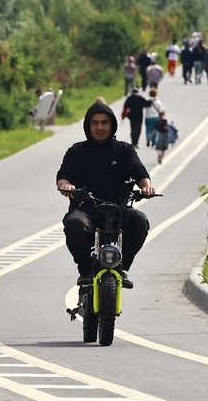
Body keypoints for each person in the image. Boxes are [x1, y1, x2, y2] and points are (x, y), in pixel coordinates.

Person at [55, 102, 157, 289]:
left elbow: (139, 172)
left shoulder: (124, 150)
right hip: (86, 209)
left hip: (119, 209)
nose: (100, 127)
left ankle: (121, 267)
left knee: (139, 221)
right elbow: (63, 176)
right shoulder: (77, 151)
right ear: (88, 126)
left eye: (104, 122)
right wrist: (66, 186)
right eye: (94, 123)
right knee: (74, 224)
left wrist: (146, 187)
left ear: (112, 125)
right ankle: (85, 270)